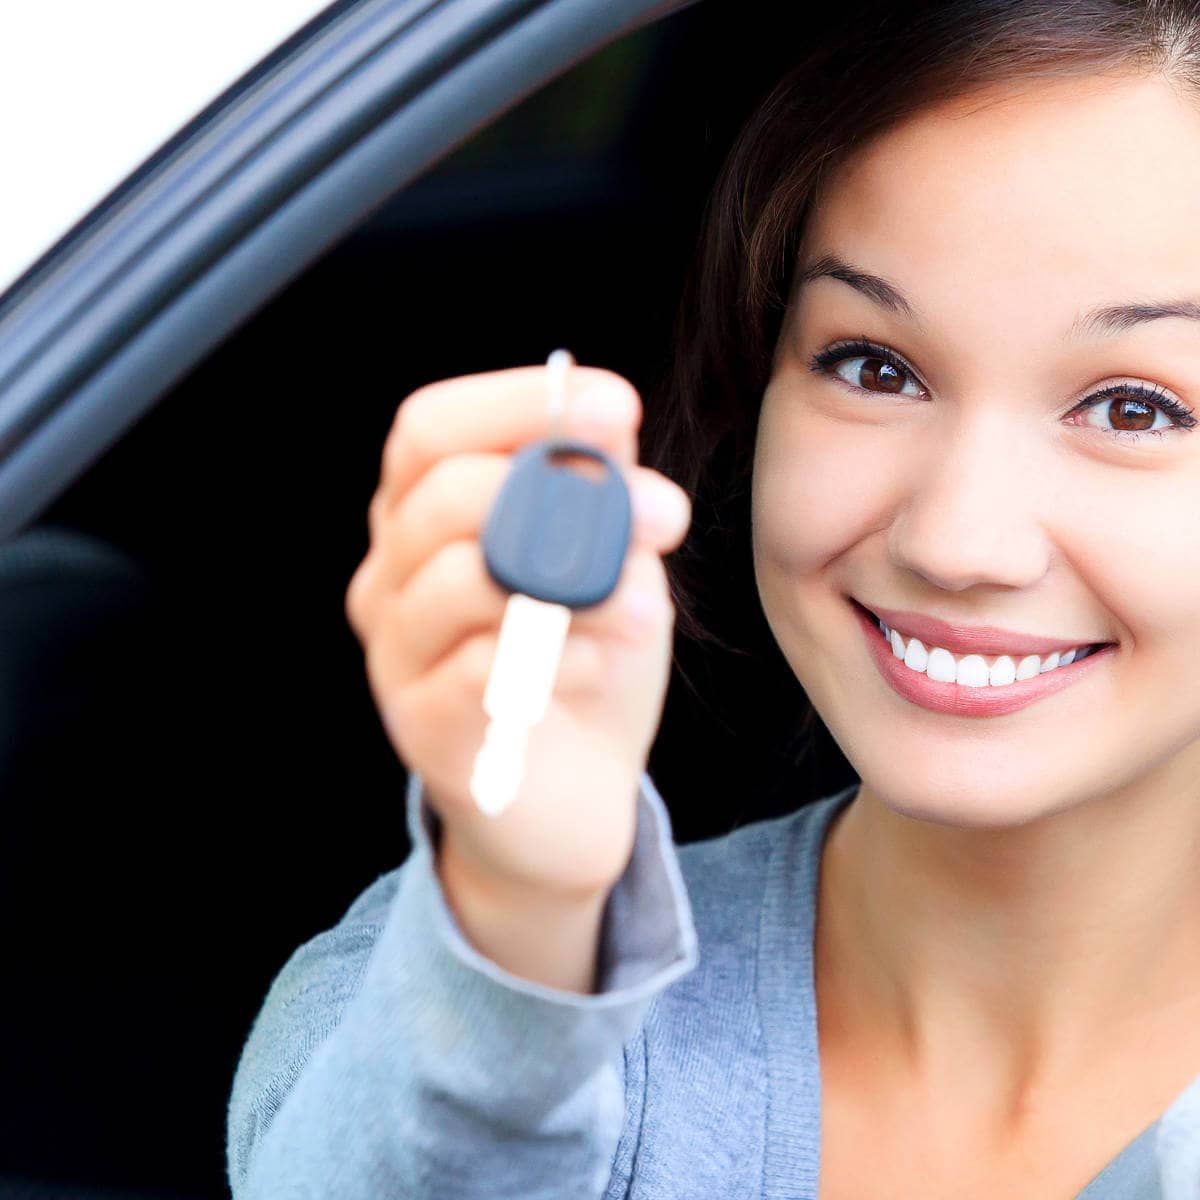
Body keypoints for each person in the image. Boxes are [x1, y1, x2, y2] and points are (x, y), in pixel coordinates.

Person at [225, 0, 1200, 1195]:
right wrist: (519, 934)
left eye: (1137, 408)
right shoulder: (425, 1003)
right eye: (874, 367)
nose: (957, 539)